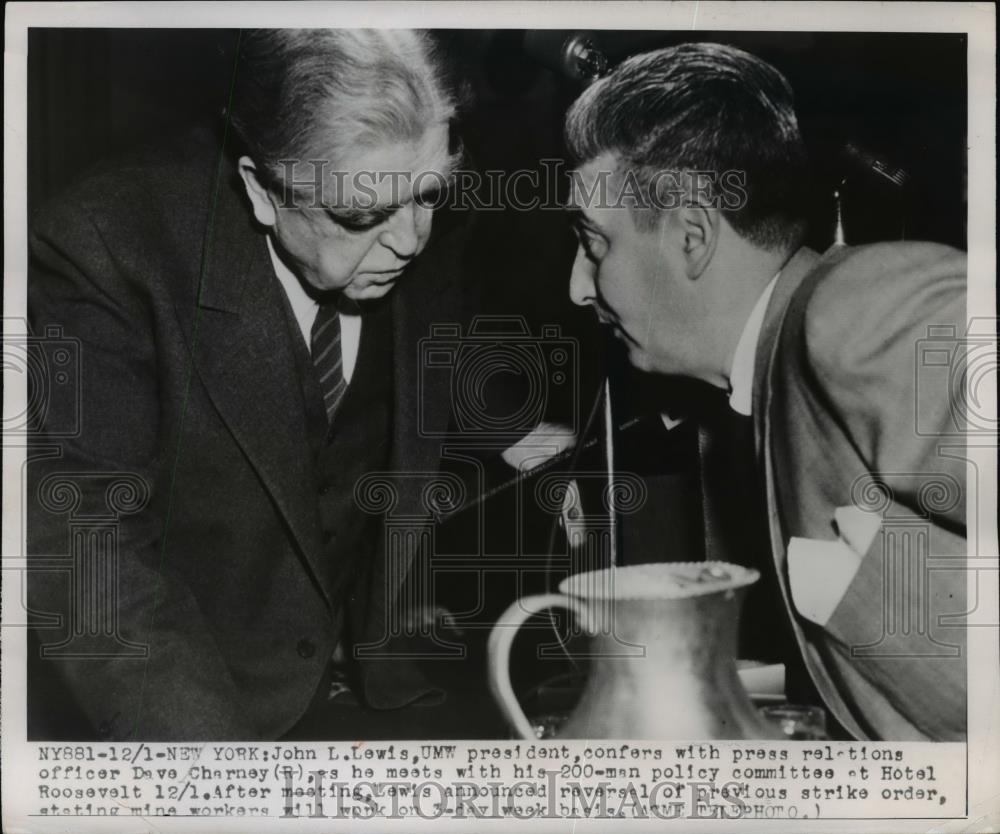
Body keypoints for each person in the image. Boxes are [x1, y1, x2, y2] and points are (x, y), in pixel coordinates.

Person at [27, 29, 490, 740]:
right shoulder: (104, 246)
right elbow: (93, 556)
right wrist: (222, 786)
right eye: (361, 216)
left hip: (377, 693)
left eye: (431, 196)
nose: (411, 241)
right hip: (200, 715)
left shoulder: (411, 203)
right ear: (260, 188)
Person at [562, 41, 967, 741]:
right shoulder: (765, 391)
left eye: (595, 243)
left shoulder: (853, 309)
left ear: (692, 236)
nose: (577, 286)